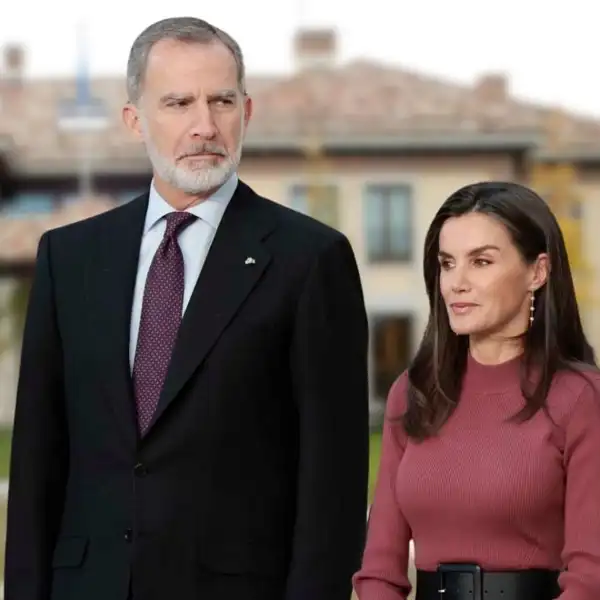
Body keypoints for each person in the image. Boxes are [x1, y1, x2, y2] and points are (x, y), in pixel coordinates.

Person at [4, 17, 370, 600]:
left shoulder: (311, 260)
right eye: (178, 103)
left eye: (221, 101)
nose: (205, 126)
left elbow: (335, 482)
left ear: (246, 112)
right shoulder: (68, 259)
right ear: (134, 120)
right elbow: (36, 465)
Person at [353, 181, 600, 600]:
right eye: (447, 264)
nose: (456, 283)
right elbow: (378, 570)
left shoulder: (579, 398)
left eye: (481, 262)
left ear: (537, 272)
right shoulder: (412, 393)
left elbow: (591, 575)